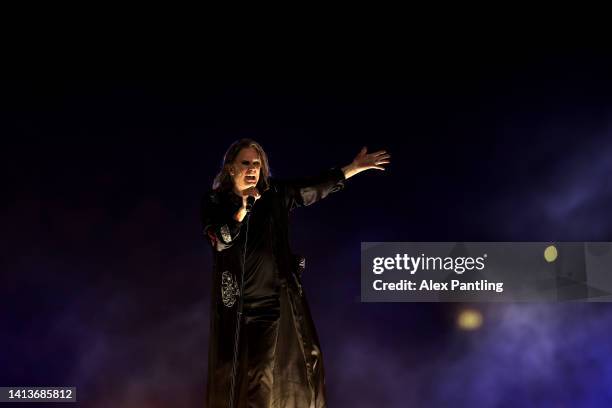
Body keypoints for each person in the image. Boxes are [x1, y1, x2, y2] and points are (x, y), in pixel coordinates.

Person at [201, 139, 390, 407]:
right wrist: (243, 208)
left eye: (257, 163)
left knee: (270, 373)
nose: (253, 168)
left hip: (272, 303)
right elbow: (222, 239)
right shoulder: (215, 201)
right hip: (236, 306)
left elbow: (313, 187)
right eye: (246, 163)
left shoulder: (275, 194)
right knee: (236, 375)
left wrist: (353, 168)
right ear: (231, 168)